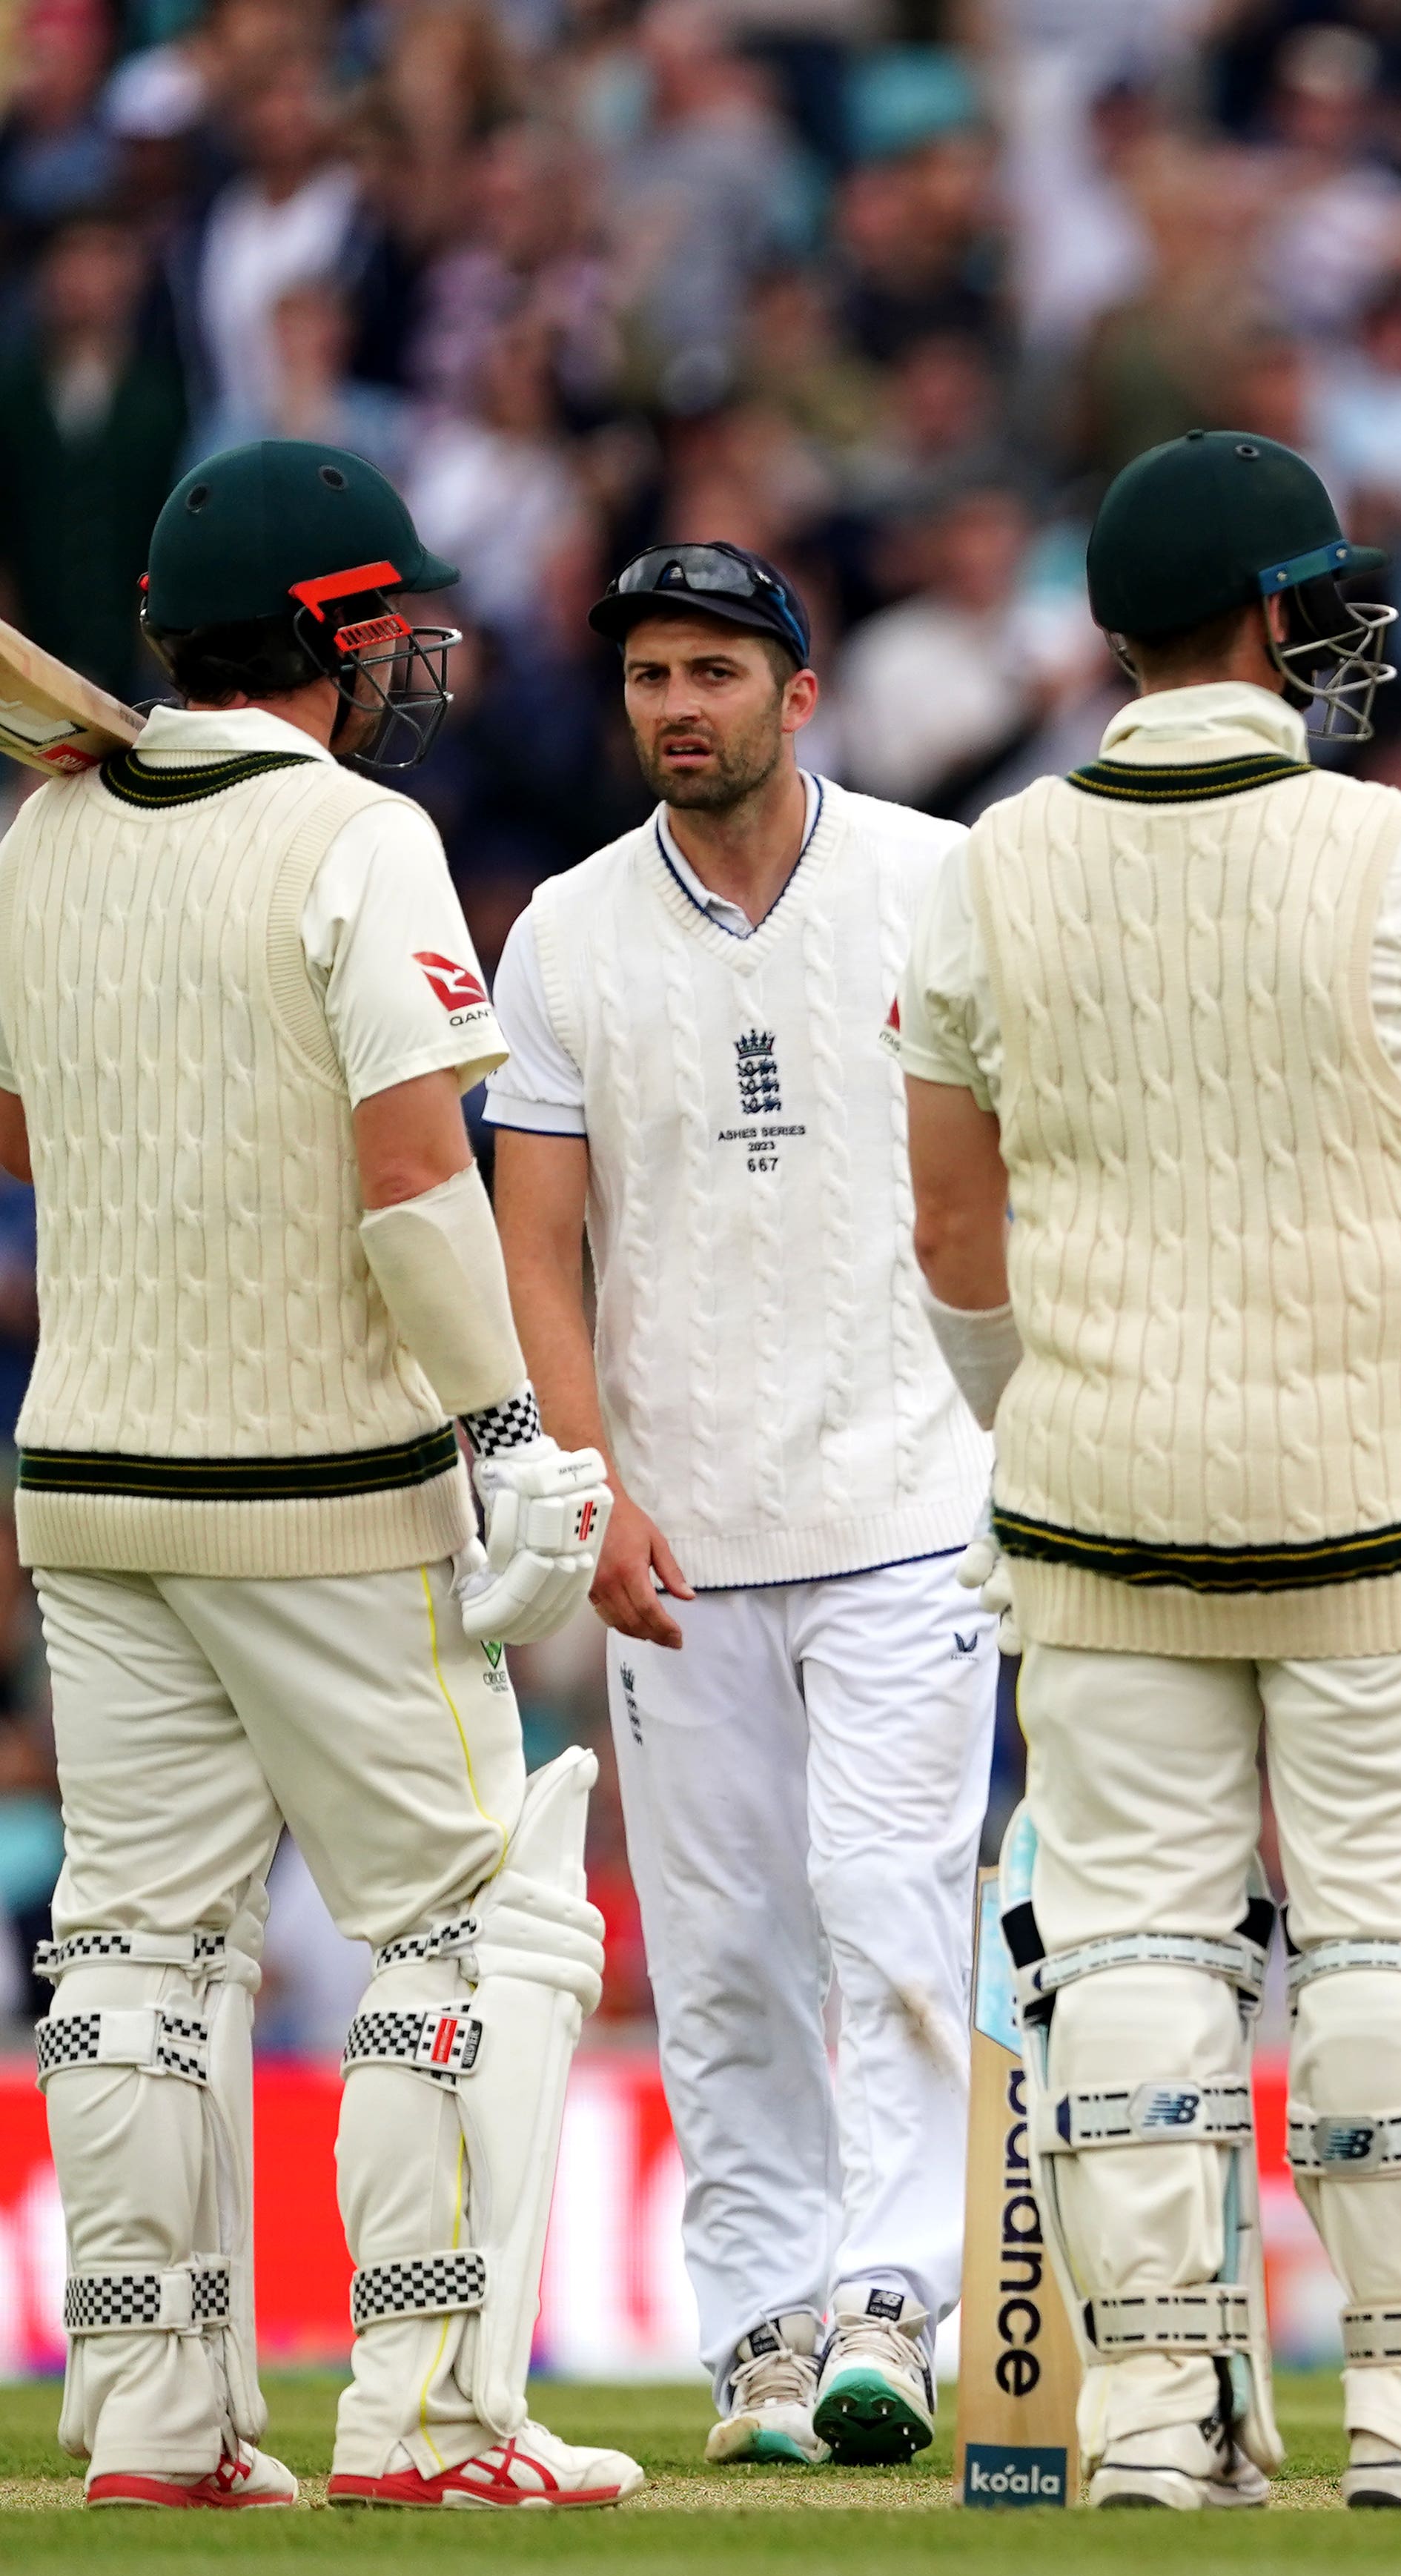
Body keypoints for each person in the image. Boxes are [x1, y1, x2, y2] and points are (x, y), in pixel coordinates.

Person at [894, 429, 1401, 2510]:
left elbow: (948, 1232)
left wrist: (1042, 1409)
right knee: (1387, 1947)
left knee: (1124, 1955)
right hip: (1369, 1484)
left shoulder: (983, 864)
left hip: (1097, 1494)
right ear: (1275, 620)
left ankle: (1154, 2425)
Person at [1, 441, 632, 2509]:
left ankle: (157, 2427)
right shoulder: (362, 836)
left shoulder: (45, 831)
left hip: (91, 1475)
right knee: (475, 1919)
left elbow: (25, 1142)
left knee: (137, 1952)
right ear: (334, 635)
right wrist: (516, 1436)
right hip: (325, 1483)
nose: (412, 663)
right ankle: (433, 2416)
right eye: (392, 625)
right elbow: (410, 1180)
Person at [488, 542, 993, 2469]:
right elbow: (536, 1246)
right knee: (716, 1947)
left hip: (909, 1497)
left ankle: (888, 2304)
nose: (676, 704)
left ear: (801, 691)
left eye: (714, 669)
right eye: (647, 675)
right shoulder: (565, 934)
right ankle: (762, 2333)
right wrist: (584, 1481)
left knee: (885, 1902)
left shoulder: (937, 884)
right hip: (679, 1531)